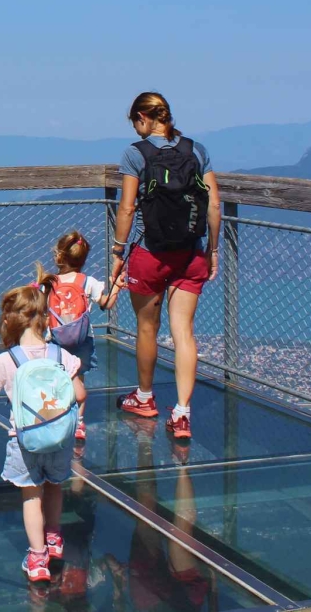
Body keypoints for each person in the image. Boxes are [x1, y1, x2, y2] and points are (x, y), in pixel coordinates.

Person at [106, 92, 221, 441]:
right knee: (183, 331)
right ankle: (183, 412)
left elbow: (126, 208)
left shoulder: (135, 154)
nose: (136, 129)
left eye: (135, 122)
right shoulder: (196, 150)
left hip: (151, 254)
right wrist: (212, 250)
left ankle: (144, 397)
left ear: (144, 117)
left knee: (146, 328)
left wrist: (117, 251)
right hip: (191, 253)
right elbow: (214, 204)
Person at [0, 284, 85, 584]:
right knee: (55, 486)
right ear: (45, 319)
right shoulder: (61, 356)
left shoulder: (8, 360)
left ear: (9, 321)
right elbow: (80, 393)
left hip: (24, 441)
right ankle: (55, 537)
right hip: (60, 439)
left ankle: (37, 557)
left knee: (31, 495)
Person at [33, 230, 119, 443]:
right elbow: (106, 304)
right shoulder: (87, 281)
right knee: (78, 379)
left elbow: (41, 311)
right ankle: (79, 422)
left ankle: (56, 417)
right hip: (82, 340)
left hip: (55, 340)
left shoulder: (49, 283)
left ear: (58, 256)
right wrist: (116, 286)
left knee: (55, 380)